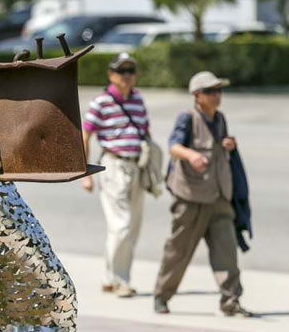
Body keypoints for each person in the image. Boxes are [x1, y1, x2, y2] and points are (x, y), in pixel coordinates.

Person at [153, 71, 253, 317]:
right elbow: (174, 146)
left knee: (227, 253)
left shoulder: (220, 118)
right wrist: (192, 155)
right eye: (210, 91)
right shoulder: (187, 117)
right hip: (191, 198)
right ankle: (161, 296)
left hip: (220, 196)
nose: (217, 95)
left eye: (219, 90)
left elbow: (220, 150)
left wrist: (228, 145)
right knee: (179, 251)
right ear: (197, 95)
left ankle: (231, 300)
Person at [82, 53, 150, 298]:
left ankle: (109, 277)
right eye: (122, 71)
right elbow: (85, 136)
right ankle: (122, 280)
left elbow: (145, 133)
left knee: (129, 228)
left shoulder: (138, 99)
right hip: (113, 166)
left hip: (136, 167)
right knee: (122, 225)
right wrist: (85, 174)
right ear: (111, 75)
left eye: (131, 70)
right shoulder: (101, 102)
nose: (127, 75)